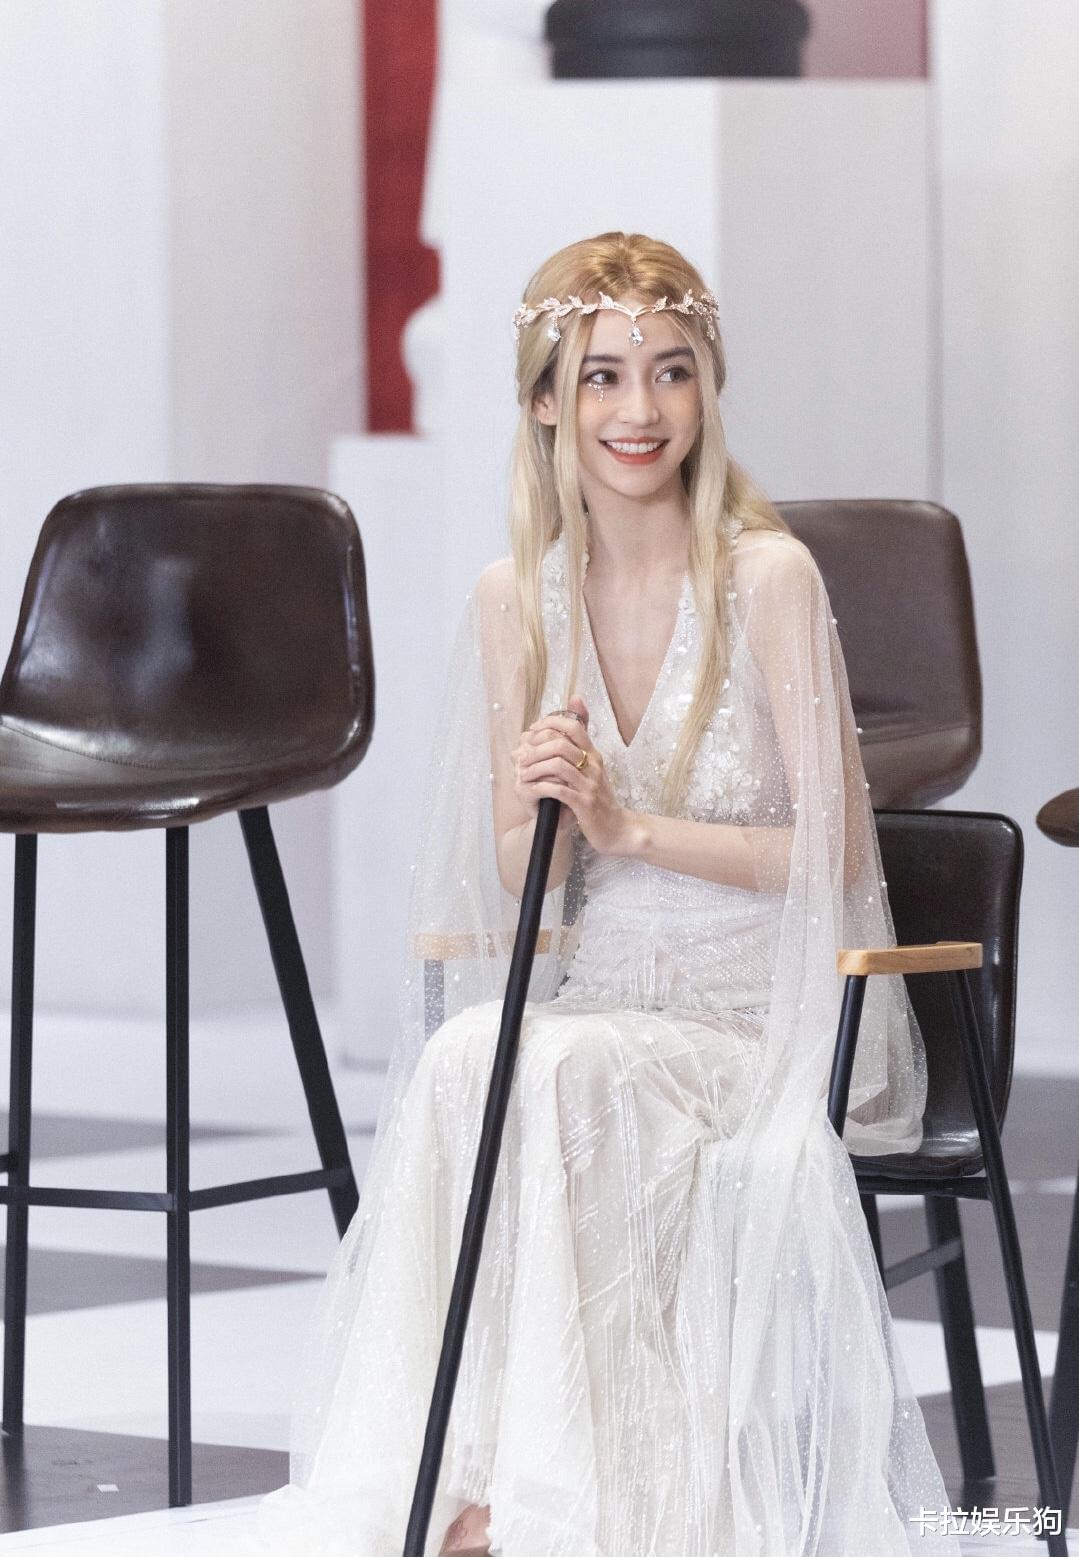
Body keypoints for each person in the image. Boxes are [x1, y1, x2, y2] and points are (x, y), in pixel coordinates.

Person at [254, 232, 961, 1556]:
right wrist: (548, 803)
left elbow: (834, 858)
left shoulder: (767, 577)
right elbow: (520, 873)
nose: (641, 410)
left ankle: (588, 1508)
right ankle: (468, 1471)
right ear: (544, 400)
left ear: (709, 388)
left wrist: (633, 823)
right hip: (609, 994)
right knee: (467, 1061)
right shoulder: (516, 600)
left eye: (672, 371)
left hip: (771, 1009)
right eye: (603, 376)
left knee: (571, 1075)